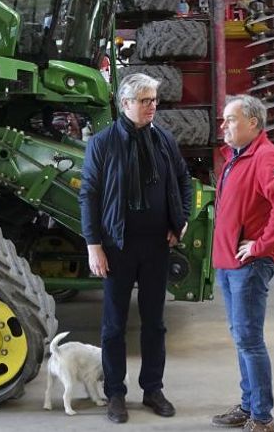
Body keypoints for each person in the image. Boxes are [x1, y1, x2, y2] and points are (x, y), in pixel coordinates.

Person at [79, 73, 191, 424]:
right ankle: (115, 393)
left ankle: (153, 389)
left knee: (154, 323)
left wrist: (181, 220)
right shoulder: (102, 143)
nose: (151, 107)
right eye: (144, 101)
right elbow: (89, 196)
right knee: (114, 325)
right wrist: (93, 244)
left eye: (154, 100)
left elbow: (183, 180)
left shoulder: (164, 140)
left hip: (157, 244)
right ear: (124, 104)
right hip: (116, 246)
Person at [210, 95, 274, 432]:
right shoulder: (237, 157)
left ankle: (262, 417)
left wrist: (263, 245)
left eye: (230, 120)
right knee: (241, 337)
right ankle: (248, 406)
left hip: (248, 265)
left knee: (249, 339)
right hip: (230, 262)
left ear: (253, 123)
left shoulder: (265, 157)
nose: (224, 126)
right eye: (224, 119)